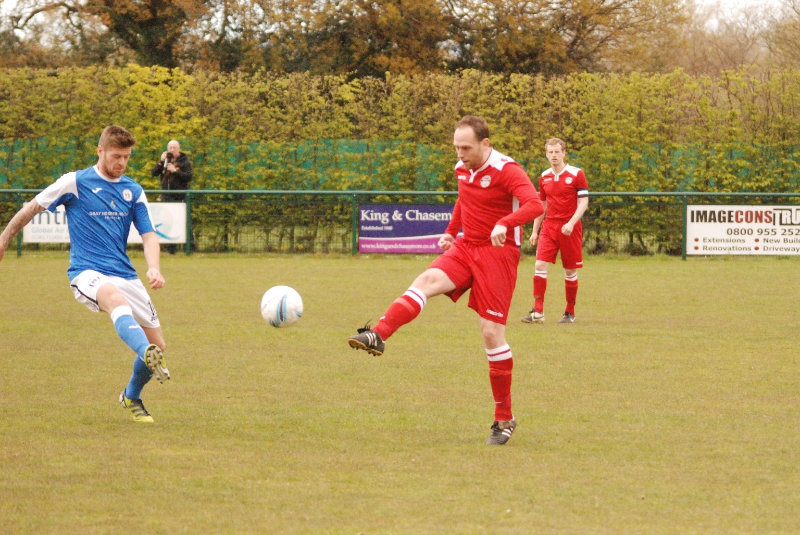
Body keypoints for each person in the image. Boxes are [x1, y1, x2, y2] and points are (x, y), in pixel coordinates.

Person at [347, 115, 544, 446]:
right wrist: (452, 232)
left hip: (498, 254)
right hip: (467, 248)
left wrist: (505, 223)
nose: (460, 153)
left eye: (466, 147)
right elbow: (464, 200)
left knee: (491, 334)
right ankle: (378, 334)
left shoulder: (508, 170)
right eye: (456, 147)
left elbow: (535, 204)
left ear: (486, 144)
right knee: (426, 279)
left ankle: (504, 418)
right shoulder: (461, 167)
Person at [0, 125, 171, 423]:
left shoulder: (133, 190)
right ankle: (146, 352)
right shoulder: (75, 182)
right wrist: (4, 237)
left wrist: (154, 267)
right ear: (100, 151)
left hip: (126, 274)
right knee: (114, 300)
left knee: (160, 344)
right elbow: (31, 208)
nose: (121, 163)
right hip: (87, 272)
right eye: (116, 156)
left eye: (127, 157)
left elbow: (148, 234)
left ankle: (131, 395)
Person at [521, 138, 589, 324]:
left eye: (557, 152)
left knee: (570, 271)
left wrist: (571, 223)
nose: (554, 155)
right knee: (539, 265)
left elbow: (583, 202)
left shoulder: (576, 174)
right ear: (546, 154)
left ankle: (569, 312)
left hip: (569, 229)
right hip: (549, 227)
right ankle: (538, 311)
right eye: (550, 152)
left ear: (564, 153)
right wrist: (535, 231)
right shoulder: (544, 176)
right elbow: (541, 205)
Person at [151, 139, 192, 254]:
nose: (172, 150)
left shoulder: (185, 162)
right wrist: (161, 161)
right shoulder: (165, 161)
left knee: (184, 222)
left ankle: (189, 249)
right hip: (166, 196)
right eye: (170, 148)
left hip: (180, 196)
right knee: (169, 222)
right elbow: (154, 173)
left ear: (179, 149)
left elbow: (189, 177)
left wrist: (175, 171)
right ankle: (171, 250)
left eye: (174, 148)